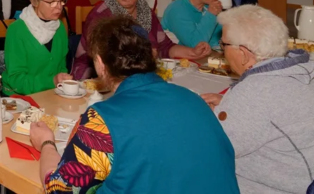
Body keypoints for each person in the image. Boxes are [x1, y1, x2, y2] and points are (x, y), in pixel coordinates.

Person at [32, 15, 240, 194]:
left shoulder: (103, 121)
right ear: (152, 56)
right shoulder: (194, 100)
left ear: (101, 65)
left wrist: (46, 143)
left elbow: (59, 189)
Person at [201, 5, 314, 194]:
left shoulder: (257, 90)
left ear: (244, 53)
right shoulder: (300, 72)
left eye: (224, 45)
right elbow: (272, 112)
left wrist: (198, 117)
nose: (222, 52)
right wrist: (230, 107)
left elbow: (214, 149)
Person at [73, 0, 212, 80]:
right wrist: (143, 56)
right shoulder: (102, 15)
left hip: (140, 73)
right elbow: (99, 56)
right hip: (101, 75)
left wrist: (193, 52)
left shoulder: (146, 12)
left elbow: (165, 46)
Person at [2, 0, 70, 96]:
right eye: (52, 2)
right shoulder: (16, 30)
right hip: (19, 99)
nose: (59, 7)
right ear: (35, 1)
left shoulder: (59, 28)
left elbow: (62, 69)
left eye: (61, 1)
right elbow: (15, 80)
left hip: (50, 95)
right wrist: (52, 81)